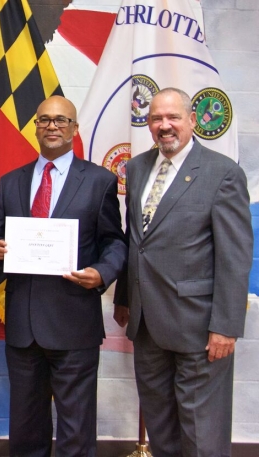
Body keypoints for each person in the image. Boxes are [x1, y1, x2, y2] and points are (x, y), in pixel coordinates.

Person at [113, 87, 252, 457]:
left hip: (199, 328)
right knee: (160, 426)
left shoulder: (222, 173)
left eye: (173, 117)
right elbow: (136, 240)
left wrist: (226, 325)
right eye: (156, 118)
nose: (164, 126)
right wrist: (126, 298)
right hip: (146, 325)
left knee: (201, 432)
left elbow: (235, 257)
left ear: (193, 120)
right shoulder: (138, 167)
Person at [0, 95, 127, 457]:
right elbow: (0, 240)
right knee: (26, 428)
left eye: (61, 120)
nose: (52, 126)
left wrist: (102, 273)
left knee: (76, 429)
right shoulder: (10, 182)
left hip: (74, 321)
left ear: (74, 130)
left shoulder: (99, 181)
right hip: (23, 323)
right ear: (35, 127)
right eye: (44, 119)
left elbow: (114, 241)